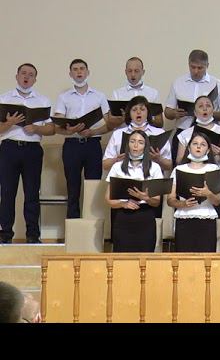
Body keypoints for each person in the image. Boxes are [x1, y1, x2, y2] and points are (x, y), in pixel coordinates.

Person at [0, 64, 55, 244]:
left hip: (32, 150)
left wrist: (37, 128)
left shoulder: (43, 100)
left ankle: (33, 235)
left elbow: (52, 129)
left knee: (32, 193)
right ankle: (5, 234)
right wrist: (9, 123)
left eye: (31, 75)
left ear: (35, 79)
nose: (26, 77)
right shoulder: (4, 99)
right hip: (9, 148)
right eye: (23, 73)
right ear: (17, 76)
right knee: (7, 193)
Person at [54, 59, 110, 219]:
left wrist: (93, 132)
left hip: (93, 144)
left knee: (93, 186)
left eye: (82, 69)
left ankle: (92, 225)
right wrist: (69, 130)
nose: (79, 72)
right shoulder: (64, 97)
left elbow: (109, 124)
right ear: (70, 73)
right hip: (72, 145)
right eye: (75, 69)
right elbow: (57, 126)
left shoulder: (99, 96)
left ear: (87, 72)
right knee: (73, 187)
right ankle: (73, 224)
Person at [165, 49, 220, 164]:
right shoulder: (178, 83)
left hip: (209, 134)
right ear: (188, 64)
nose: (196, 71)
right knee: (180, 165)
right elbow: (167, 111)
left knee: (210, 166)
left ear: (207, 66)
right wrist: (174, 113)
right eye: (193, 67)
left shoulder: (217, 84)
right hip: (183, 132)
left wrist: (207, 113)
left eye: (200, 68)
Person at [105, 130, 163, 252]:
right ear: (128, 144)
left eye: (140, 142)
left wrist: (145, 197)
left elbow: (157, 201)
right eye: (132, 141)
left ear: (145, 146)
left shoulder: (155, 168)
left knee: (144, 256)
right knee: (122, 256)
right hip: (123, 216)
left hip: (145, 216)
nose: (136, 145)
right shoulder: (117, 167)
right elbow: (108, 198)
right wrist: (123, 204)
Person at [167, 133, 220, 252]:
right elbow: (170, 200)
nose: (198, 147)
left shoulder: (214, 169)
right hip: (184, 219)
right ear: (188, 147)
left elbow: (217, 201)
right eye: (195, 144)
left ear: (208, 150)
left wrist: (207, 193)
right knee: (183, 257)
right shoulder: (179, 169)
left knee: (206, 257)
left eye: (203, 145)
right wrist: (183, 204)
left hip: (207, 219)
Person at [102, 96, 172, 173]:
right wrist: (116, 160)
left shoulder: (159, 133)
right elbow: (105, 165)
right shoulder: (118, 134)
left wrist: (159, 159)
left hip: (151, 176)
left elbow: (169, 166)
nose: (138, 112)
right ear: (129, 113)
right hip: (124, 176)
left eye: (142, 109)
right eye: (134, 110)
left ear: (148, 112)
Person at [176, 95, 220, 167]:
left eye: (208, 106)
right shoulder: (185, 134)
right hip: (193, 171)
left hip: (217, 171)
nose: (205, 108)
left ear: (213, 111)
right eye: (200, 106)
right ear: (195, 112)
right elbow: (179, 161)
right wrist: (198, 153)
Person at [107, 56, 163, 129]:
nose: (133, 74)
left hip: (147, 134)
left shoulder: (153, 93)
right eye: (130, 71)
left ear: (143, 72)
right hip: (125, 133)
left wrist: (146, 116)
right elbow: (110, 124)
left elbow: (160, 123)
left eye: (136, 71)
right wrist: (124, 118)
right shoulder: (117, 94)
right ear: (125, 72)